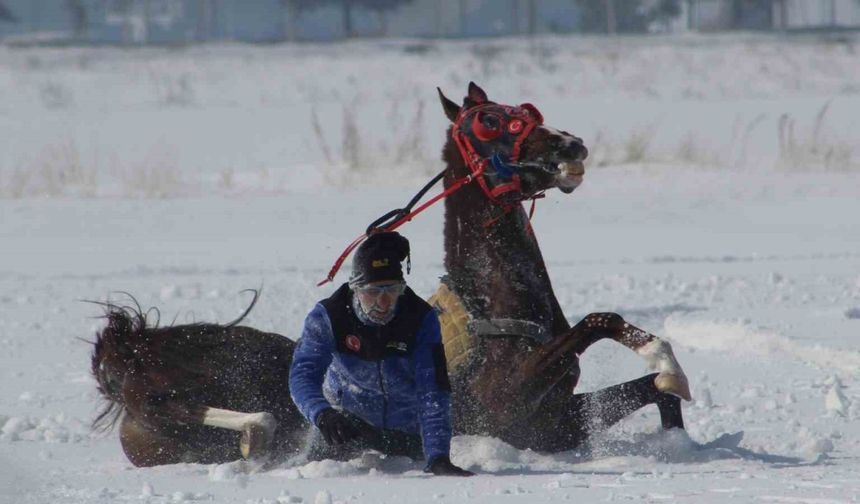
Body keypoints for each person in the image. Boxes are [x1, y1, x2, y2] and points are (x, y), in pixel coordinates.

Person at [289, 231, 472, 476]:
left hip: (408, 433)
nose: (384, 302)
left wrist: (438, 456)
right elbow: (303, 376)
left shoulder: (421, 318)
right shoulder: (328, 317)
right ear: (355, 288)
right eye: (373, 292)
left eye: (392, 290)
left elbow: (433, 392)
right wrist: (322, 414)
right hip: (348, 425)